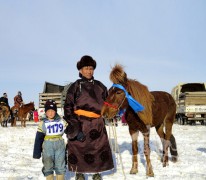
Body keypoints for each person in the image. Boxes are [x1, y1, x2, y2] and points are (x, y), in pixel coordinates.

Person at [64, 55, 114, 180]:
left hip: (98, 123)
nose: (89, 71)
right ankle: (79, 173)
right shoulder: (75, 86)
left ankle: (97, 172)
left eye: (91, 68)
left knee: (98, 147)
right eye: (86, 68)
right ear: (80, 70)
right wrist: (74, 125)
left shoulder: (100, 86)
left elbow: (108, 103)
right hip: (80, 122)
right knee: (79, 147)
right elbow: (68, 107)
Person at [33, 99, 67, 180]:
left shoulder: (61, 121)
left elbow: (70, 129)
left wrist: (76, 133)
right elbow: (38, 138)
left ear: (55, 111)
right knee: (48, 164)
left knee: (61, 164)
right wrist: (36, 153)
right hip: (48, 146)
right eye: (48, 111)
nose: (50, 113)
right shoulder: (43, 123)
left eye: (52, 111)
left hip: (60, 145)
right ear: (45, 112)